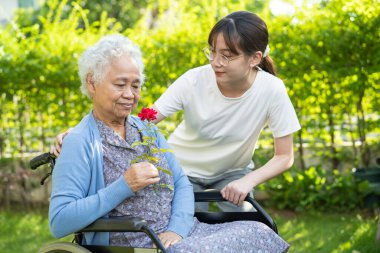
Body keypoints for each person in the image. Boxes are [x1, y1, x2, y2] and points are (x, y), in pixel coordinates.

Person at [49, 34, 289, 252]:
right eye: (120, 84)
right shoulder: (80, 143)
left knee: (259, 231)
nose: (130, 94)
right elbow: (60, 221)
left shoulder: (146, 130)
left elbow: (181, 184)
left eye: (135, 85)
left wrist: (176, 230)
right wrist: (124, 185)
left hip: (180, 234)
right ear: (92, 83)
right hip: (141, 242)